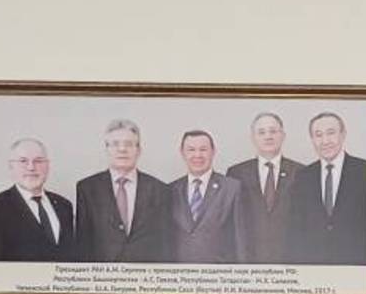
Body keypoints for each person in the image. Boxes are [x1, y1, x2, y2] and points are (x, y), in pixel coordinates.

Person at [73, 118, 170, 263]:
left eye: (129, 144)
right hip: (102, 274)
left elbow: (164, 244)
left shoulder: (159, 189)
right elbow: (83, 244)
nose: (122, 149)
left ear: (139, 150)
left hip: (145, 273)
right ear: (106, 149)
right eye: (115, 144)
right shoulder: (87, 188)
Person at [292, 111, 366, 265]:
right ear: (312, 139)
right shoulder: (302, 176)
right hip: (314, 265)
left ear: (343, 135)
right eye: (318, 135)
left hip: (356, 264)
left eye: (331, 133)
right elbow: (297, 228)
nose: (325, 141)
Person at [224, 112, 306, 263]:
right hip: (249, 260)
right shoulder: (236, 173)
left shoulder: (301, 172)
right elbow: (230, 224)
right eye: (261, 132)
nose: (268, 136)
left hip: (290, 260)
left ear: (283, 136)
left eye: (273, 131)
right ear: (253, 138)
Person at [0, 137, 74, 261]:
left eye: (38, 161)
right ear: (11, 167)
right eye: (23, 161)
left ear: (48, 166)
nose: (31, 167)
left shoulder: (63, 205)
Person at [164, 129, 250, 263]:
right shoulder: (170, 190)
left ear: (213, 151)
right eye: (191, 150)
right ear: (182, 153)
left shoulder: (232, 188)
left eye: (203, 149)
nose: (197, 155)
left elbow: (241, 240)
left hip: (219, 273)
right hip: (180, 272)